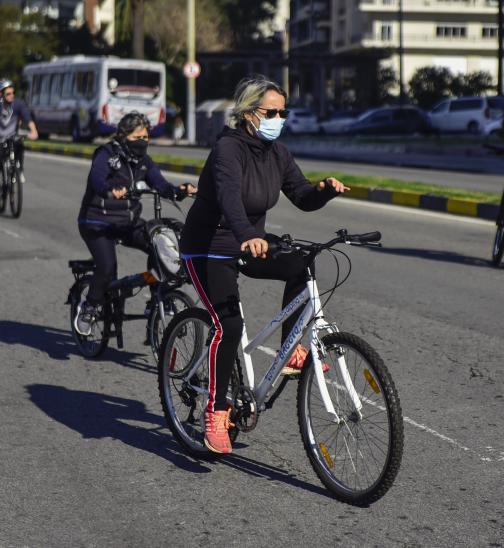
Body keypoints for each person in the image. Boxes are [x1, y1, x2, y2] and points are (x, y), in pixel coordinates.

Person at [178, 75, 349, 454]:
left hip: (247, 244)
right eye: (271, 111)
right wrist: (245, 234)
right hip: (209, 248)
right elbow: (227, 198)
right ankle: (216, 412)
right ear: (248, 113)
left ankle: (290, 351)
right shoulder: (228, 149)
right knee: (230, 324)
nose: (279, 118)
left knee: (301, 263)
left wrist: (322, 191)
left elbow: (301, 195)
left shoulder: (278, 153)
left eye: (283, 112)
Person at [73, 111, 197, 336]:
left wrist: (180, 190)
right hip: (97, 223)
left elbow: (161, 184)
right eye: (137, 137)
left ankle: (160, 292)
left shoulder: (144, 162)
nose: (143, 142)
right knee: (107, 266)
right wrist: (110, 191)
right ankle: (89, 308)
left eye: (146, 137)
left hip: (128, 223)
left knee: (160, 244)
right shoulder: (107, 154)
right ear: (123, 136)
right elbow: (97, 179)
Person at [0, 78, 38, 206]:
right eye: (8, 94)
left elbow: (27, 117)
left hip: (11, 136)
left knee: (19, 145)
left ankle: (19, 170)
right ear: (0, 94)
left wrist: (34, 131)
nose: (11, 96)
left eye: (13, 93)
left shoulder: (18, 104)